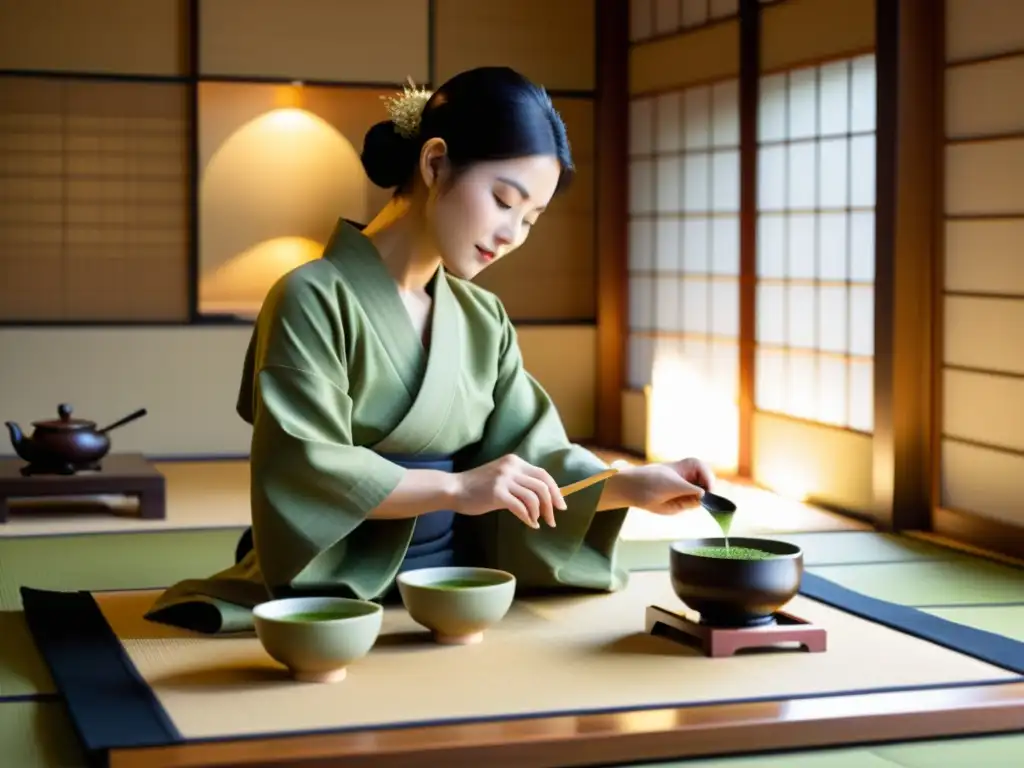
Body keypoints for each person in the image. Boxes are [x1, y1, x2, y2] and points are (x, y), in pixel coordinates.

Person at [145, 66, 715, 635]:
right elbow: (304, 465)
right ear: (435, 163)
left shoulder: (481, 317)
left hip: (461, 584)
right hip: (338, 592)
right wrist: (457, 488)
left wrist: (629, 485)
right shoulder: (310, 297)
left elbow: (534, 457)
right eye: (502, 200)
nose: (511, 233)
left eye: (530, 219)